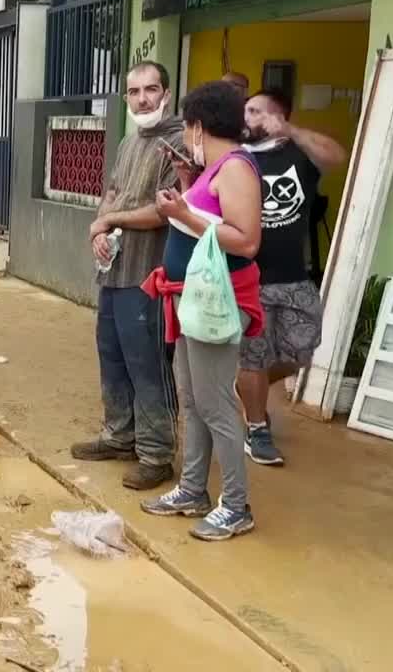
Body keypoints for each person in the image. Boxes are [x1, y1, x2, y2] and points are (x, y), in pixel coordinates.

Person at [140, 81, 265, 542]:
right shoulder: (214, 169)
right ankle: (193, 488)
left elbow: (246, 240)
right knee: (192, 401)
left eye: (189, 125)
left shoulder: (236, 168)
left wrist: (186, 214)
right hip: (192, 300)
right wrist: (189, 187)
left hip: (215, 303)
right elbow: (212, 221)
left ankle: (236, 505)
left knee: (215, 405)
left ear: (198, 125)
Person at [70, 62, 182, 490]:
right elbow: (112, 192)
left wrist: (107, 220)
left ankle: (156, 454)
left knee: (147, 361)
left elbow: (162, 211)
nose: (142, 99)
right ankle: (119, 436)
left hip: (151, 275)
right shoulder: (128, 141)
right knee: (111, 353)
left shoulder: (177, 145)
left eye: (151, 90)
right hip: (115, 270)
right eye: (134, 92)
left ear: (166, 94)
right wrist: (101, 226)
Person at [236, 89, 346, 465]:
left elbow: (337, 156)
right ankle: (256, 428)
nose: (246, 117)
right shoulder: (238, 158)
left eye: (255, 111)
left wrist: (293, 131)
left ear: (276, 116)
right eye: (245, 111)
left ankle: (247, 385)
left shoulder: (299, 154)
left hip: (294, 277)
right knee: (254, 354)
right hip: (249, 277)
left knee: (303, 349)